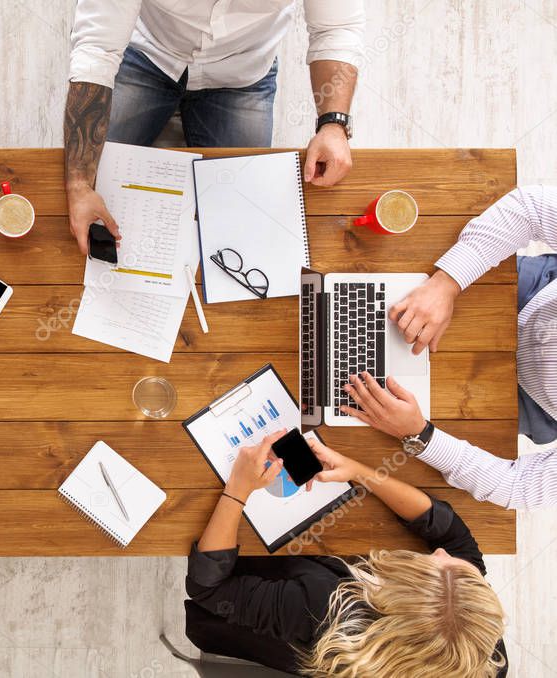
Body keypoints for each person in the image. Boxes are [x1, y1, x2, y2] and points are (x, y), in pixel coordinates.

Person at [185, 430, 507, 677]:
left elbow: (207, 588)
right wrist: (357, 471)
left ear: (397, 595)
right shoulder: (478, 638)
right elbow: (450, 532)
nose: (440, 553)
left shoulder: (325, 610)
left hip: (266, 592)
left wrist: (238, 488)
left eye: (435, 566)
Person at [63, 0, 365, 253]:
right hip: (151, 53)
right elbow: (97, 48)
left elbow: (335, 28)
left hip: (243, 71)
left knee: (239, 224)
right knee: (87, 188)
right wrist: (79, 183)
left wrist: (333, 125)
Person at [339, 186, 557, 509]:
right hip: (527, 293)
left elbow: (518, 487)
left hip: (528, 400)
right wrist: (447, 282)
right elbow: (531, 208)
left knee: (366, 422)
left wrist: (421, 435)